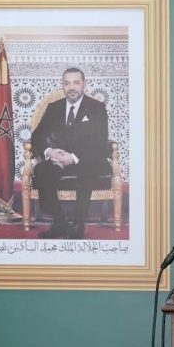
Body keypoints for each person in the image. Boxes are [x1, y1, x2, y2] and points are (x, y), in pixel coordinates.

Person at [31, 67, 110, 239]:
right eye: (67, 83)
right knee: (41, 170)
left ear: (84, 84)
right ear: (62, 85)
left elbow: (99, 141)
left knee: (87, 170)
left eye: (76, 83)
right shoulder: (54, 107)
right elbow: (37, 135)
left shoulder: (96, 107)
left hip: (87, 159)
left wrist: (73, 158)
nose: (71, 87)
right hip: (59, 159)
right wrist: (50, 151)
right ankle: (59, 223)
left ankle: (78, 225)